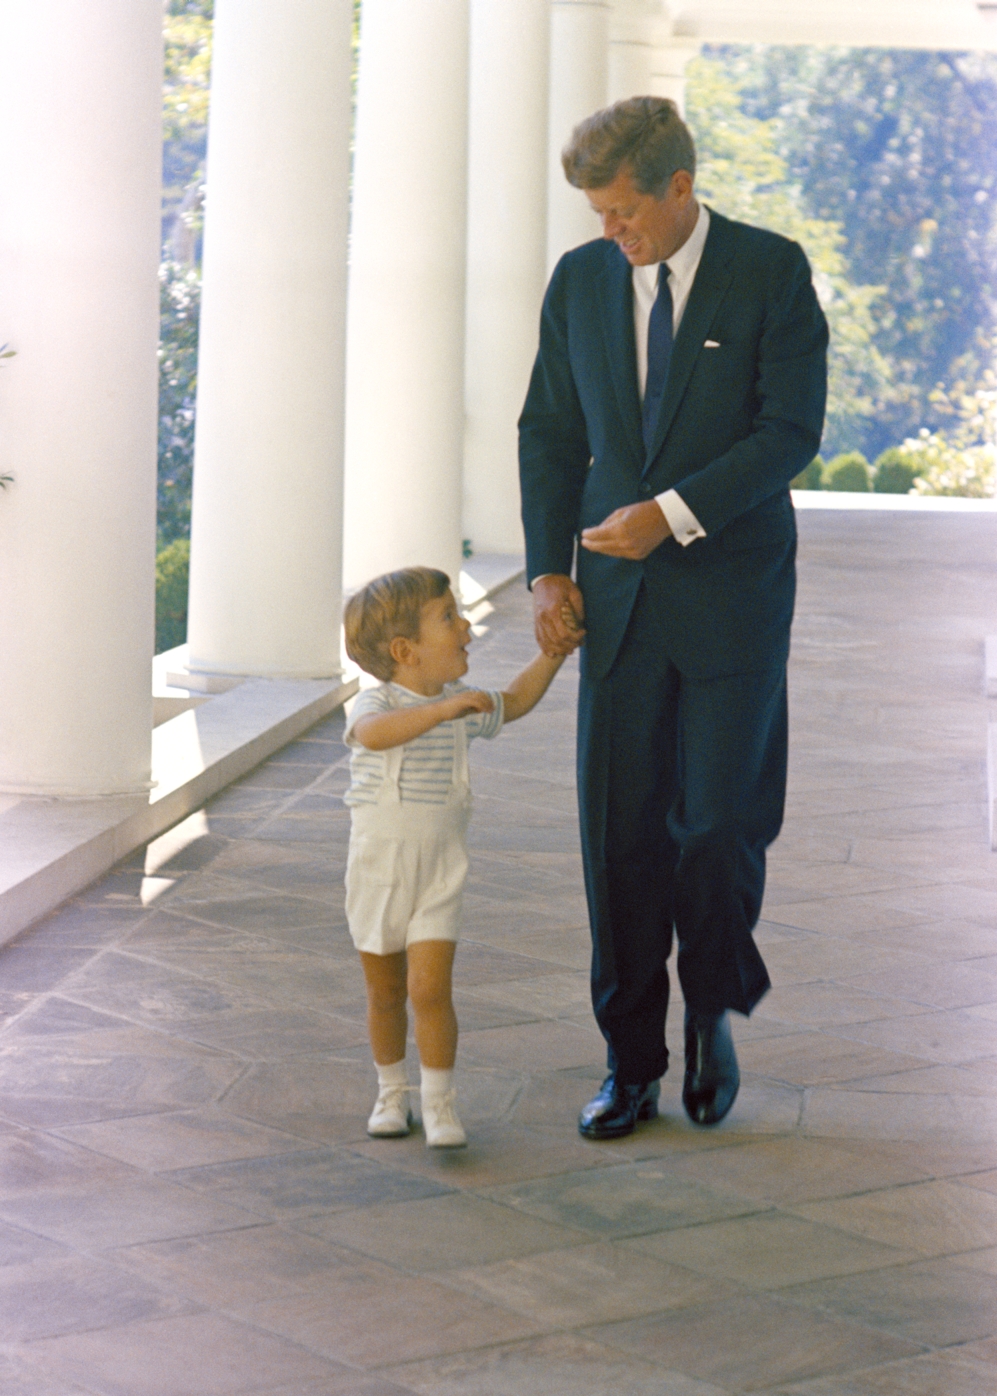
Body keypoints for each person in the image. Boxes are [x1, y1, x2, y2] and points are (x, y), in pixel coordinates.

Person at [519, 97, 828, 1139]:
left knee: (718, 827)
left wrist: (672, 515)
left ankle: (712, 1012)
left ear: (679, 185)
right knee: (619, 838)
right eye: (598, 215)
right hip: (614, 608)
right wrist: (546, 574)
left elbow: (790, 433)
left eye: (621, 212)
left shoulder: (770, 271)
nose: (611, 232)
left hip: (734, 597)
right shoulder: (579, 281)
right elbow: (550, 433)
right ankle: (629, 1061)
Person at [342, 567, 563, 1147]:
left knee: (429, 990)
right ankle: (392, 1092)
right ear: (405, 651)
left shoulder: (459, 704)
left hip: (440, 872)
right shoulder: (379, 701)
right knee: (386, 993)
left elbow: (513, 701)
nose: (465, 626)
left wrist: (554, 653)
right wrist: (441, 713)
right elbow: (372, 735)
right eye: (449, 616)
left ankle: (440, 1102)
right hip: (378, 875)